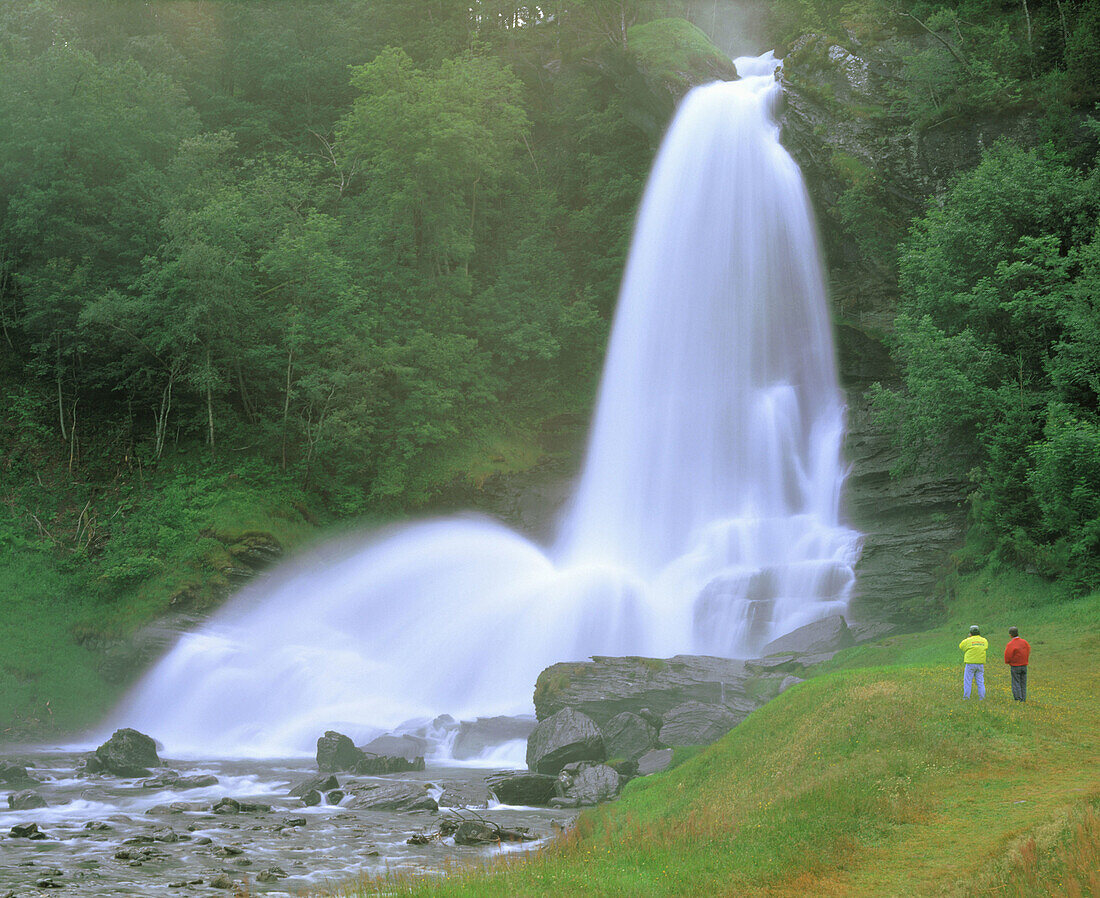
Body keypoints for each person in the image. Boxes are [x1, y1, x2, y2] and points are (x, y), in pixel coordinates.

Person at [959, 625, 988, 699]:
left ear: (970, 633)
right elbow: (986, 647)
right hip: (980, 663)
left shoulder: (968, 640)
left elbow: (961, 646)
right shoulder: (984, 640)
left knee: (968, 681)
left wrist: (969, 638)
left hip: (970, 663)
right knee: (980, 682)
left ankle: (966, 698)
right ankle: (982, 698)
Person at [1004, 626, 1031, 701]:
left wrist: (1008, 662)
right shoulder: (1024, 642)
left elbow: (1008, 655)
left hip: (1015, 666)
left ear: (1010, 635)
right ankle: (1023, 698)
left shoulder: (1011, 644)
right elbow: (1028, 649)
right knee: (1023, 683)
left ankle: (1018, 698)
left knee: (1016, 682)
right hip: (1024, 665)